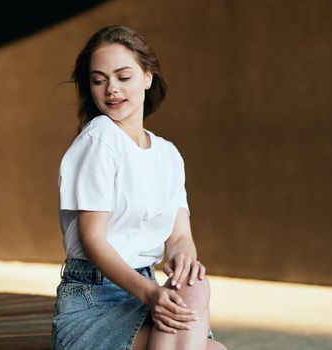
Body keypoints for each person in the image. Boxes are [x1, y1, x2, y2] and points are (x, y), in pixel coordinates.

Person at [52, 24, 227, 350]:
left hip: (144, 290)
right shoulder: (100, 137)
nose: (111, 90)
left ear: (147, 77)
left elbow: (179, 237)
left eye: (123, 77)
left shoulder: (168, 154)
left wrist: (182, 261)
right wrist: (150, 292)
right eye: (98, 80)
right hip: (94, 301)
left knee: (196, 285)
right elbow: (93, 240)